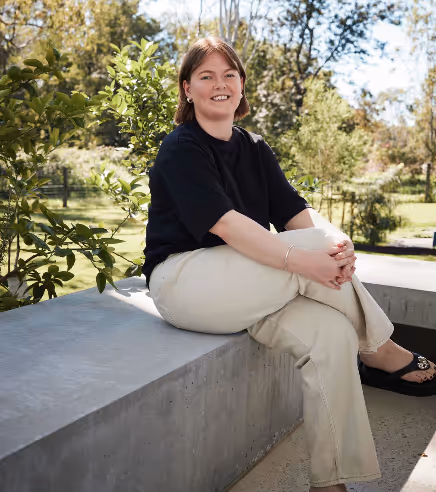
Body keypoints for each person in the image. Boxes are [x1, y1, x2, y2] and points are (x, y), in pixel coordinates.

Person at [142, 36, 436, 491]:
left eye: (229, 74)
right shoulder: (183, 148)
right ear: (187, 89)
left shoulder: (254, 148)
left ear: (241, 85)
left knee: (334, 334)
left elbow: (297, 213)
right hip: (185, 283)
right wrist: (305, 259)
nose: (220, 84)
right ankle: (380, 349)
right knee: (315, 249)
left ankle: (331, 482)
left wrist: (339, 243)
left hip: (250, 284)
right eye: (206, 76)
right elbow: (229, 227)